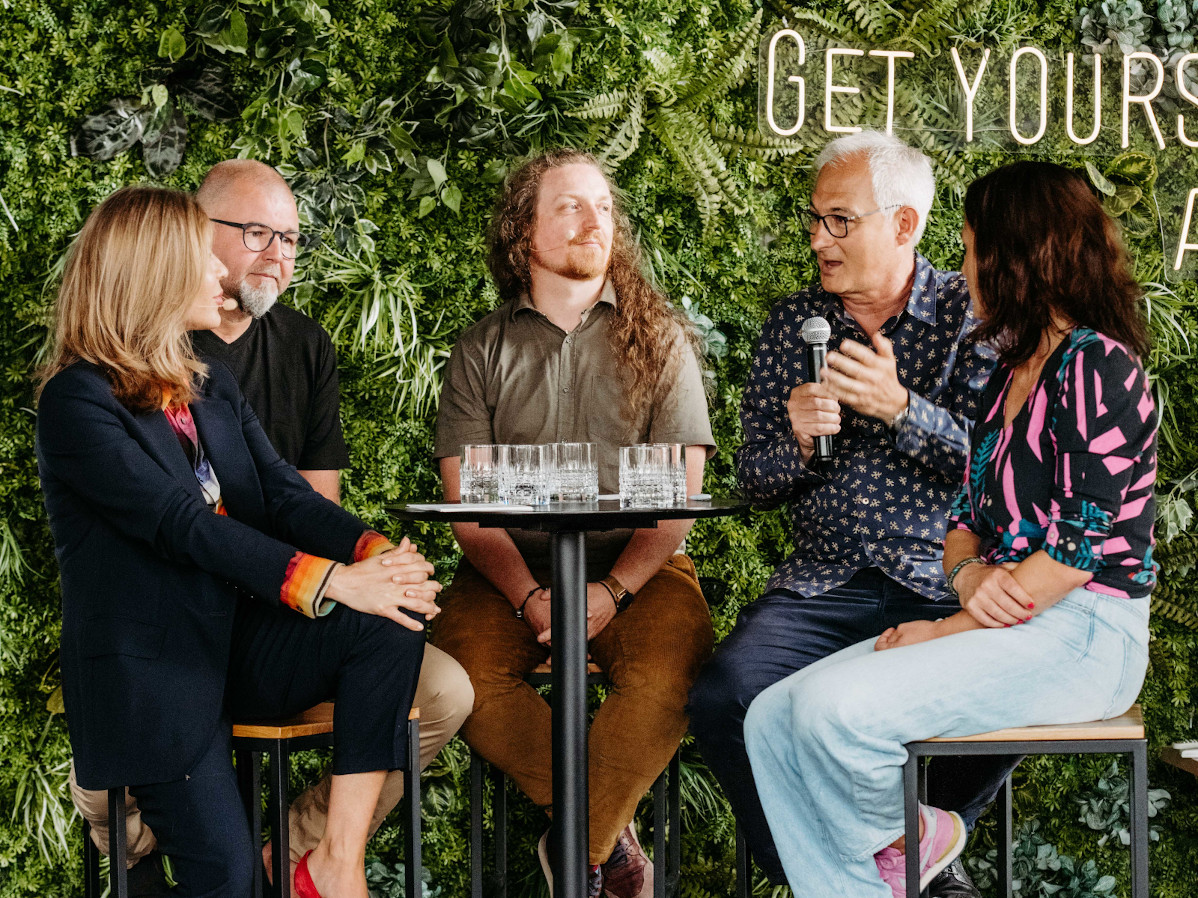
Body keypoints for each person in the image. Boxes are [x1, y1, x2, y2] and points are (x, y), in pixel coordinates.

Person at [743, 159, 1157, 897]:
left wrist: (944, 628)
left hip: (1087, 632)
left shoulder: (1099, 367)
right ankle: (884, 865)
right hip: (1010, 608)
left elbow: (1073, 554)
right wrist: (967, 577)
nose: (962, 268)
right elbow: (965, 520)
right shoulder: (1010, 371)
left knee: (836, 715)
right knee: (771, 717)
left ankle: (920, 834)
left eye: (970, 249)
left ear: (1018, 257)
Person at [69, 160, 474, 896]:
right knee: (225, 877)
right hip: (160, 675)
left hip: (234, 643)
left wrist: (378, 561)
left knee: (389, 617)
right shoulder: (78, 401)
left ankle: (335, 864)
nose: (219, 275)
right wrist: (328, 579)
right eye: (201, 256)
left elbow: (288, 498)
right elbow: (180, 525)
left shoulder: (208, 382)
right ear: (154, 273)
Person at [686, 130, 1006, 898]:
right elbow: (755, 483)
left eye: (840, 221)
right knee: (725, 697)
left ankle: (915, 851)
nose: (818, 240)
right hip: (822, 587)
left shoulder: (977, 317)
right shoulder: (794, 326)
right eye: (814, 220)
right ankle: (874, 873)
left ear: (903, 225)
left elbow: (1003, 471)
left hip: (944, 582)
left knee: (1003, 695)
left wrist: (902, 410)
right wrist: (796, 443)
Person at [430, 149, 715, 897]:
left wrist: (614, 591)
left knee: (672, 679)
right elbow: (468, 506)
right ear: (523, 232)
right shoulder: (480, 349)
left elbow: (680, 497)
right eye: (570, 206)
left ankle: (577, 854)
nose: (597, 221)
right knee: (455, 679)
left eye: (605, 207)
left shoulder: (662, 340)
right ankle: (604, 832)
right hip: (505, 578)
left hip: (642, 571)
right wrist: (530, 596)